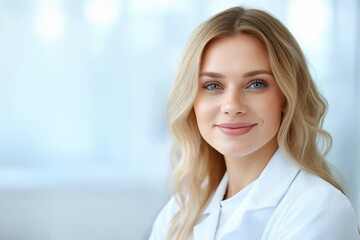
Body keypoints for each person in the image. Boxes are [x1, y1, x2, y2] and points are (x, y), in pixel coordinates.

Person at [149, 6, 359, 240]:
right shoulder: (182, 209)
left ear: (287, 97)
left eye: (256, 84)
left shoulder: (320, 208)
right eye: (212, 85)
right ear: (191, 101)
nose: (232, 105)